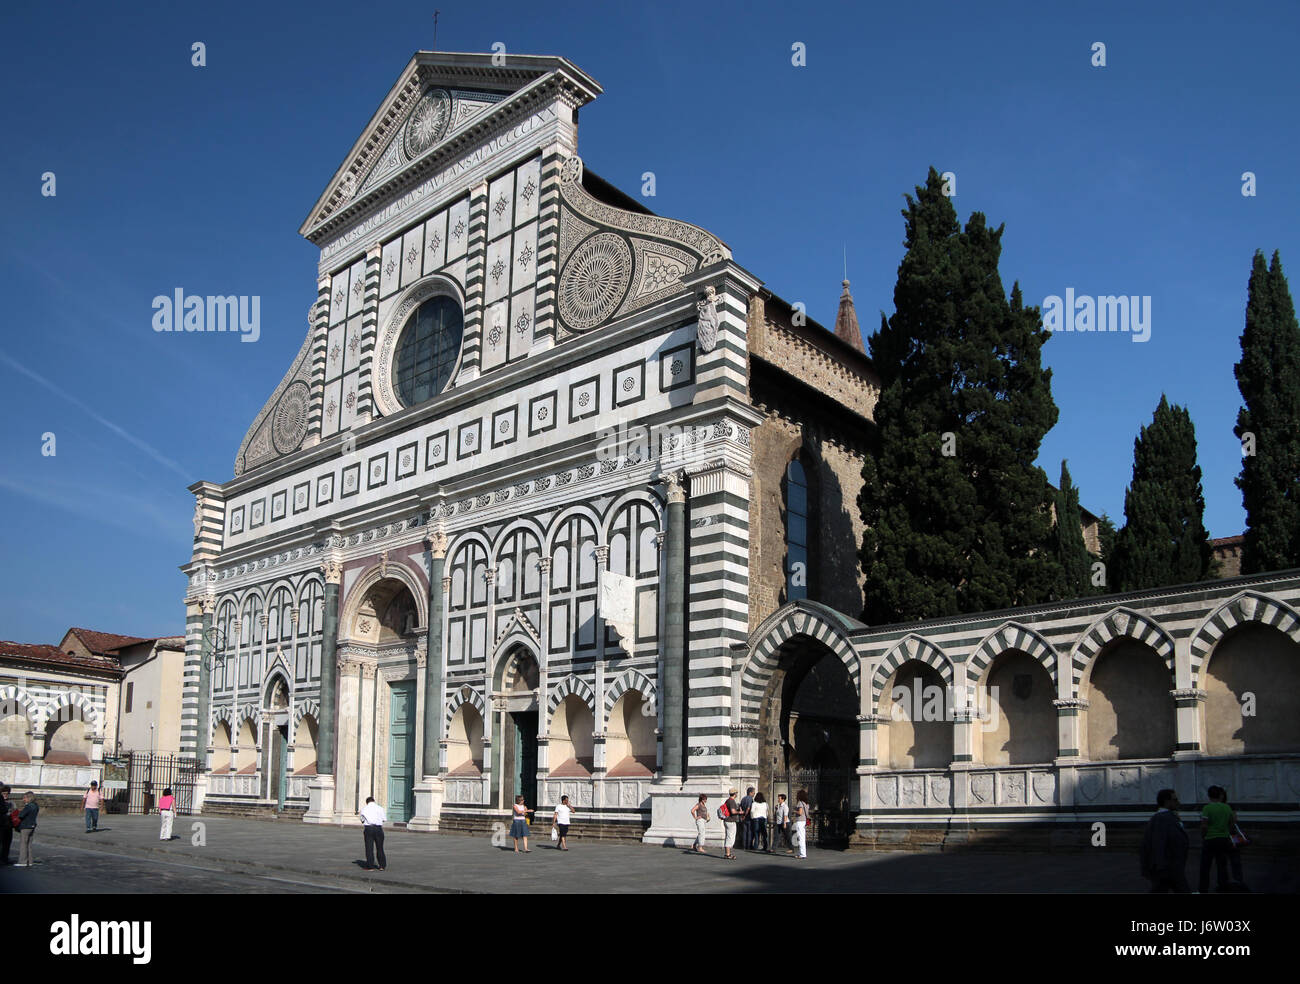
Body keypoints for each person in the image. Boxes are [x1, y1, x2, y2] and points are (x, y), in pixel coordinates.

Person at [1199, 786, 1246, 893]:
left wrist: (1203, 836)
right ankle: (1222, 887)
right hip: (1224, 839)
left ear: (1209, 796)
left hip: (1210, 839)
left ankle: (1203, 889)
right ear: (1220, 795)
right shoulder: (1227, 808)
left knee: (1205, 866)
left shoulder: (1207, 808)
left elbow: (1204, 826)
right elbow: (1232, 823)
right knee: (1221, 865)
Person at [1141, 788, 1189, 893]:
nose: (1178, 802)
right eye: (1175, 800)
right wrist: (1160, 867)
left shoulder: (1169, 817)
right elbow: (1158, 843)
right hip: (1167, 867)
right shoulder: (1162, 819)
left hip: (1170, 866)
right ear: (1167, 801)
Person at [359, 795, 386, 871]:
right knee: (380, 848)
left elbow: (362, 820)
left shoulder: (364, 809)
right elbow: (384, 819)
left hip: (369, 828)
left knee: (369, 848)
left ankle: (370, 866)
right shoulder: (380, 808)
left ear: (367, 802)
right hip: (378, 828)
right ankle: (382, 866)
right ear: (374, 801)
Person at [17, 791, 38, 867]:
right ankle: (30, 861)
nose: (23, 799)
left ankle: (22, 861)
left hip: (26, 826)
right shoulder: (36, 806)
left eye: (24, 798)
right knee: (29, 844)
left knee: (23, 844)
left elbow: (21, 815)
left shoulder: (28, 806)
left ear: (29, 798)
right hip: (32, 825)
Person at [791, 789, 811, 859]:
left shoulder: (800, 803)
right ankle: (802, 853)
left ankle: (802, 854)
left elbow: (800, 812)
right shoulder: (806, 803)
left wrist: (794, 811)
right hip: (804, 821)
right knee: (802, 837)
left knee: (800, 838)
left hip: (800, 821)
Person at [722, 789, 741, 860]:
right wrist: (739, 812)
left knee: (729, 836)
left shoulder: (727, 800)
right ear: (735, 794)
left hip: (727, 820)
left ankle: (728, 853)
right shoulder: (732, 801)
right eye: (736, 793)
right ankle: (727, 854)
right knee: (730, 837)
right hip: (730, 821)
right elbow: (733, 811)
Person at [0, 784, 12, 865]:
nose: (6, 795)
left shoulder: (11, 802)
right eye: (4, 793)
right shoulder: (1, 800)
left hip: (8, 825)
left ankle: (5, 858)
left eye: (7, 793)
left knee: (7, 843)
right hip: (2, 824)